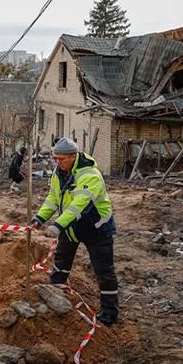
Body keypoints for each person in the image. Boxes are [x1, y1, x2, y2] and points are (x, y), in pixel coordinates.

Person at [30, 137, 119, 326]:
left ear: (73, 156)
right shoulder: (58, 172)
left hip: (97, 228)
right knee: (61, 261)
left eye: (61, 159)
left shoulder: (90, 175)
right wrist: (40, 217)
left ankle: (109, 312)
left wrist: (58, 225)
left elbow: (80, 205)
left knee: (104, 271)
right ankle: (55, 293)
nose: (57, 163)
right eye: (55, 159)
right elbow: (53, 198)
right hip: (71, 227)